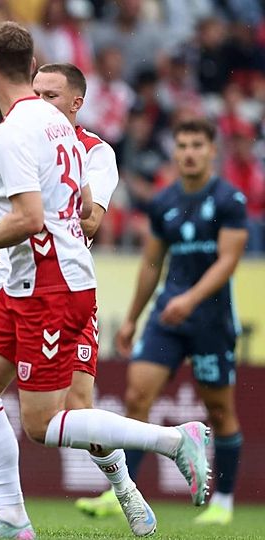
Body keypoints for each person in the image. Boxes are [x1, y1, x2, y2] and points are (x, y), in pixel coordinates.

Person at [0, 22, 209, 538]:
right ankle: (10, 518)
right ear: (30, 70)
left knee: (44, 425)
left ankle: (173, 440)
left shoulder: (13, 132)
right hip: (24, 284)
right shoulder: (55, 127)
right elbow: (37, 201)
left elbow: (32, 218)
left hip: (51, 287)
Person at [79, 119, 248, 526]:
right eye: (182, 145)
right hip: (167, 318)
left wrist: (190, 299)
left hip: (211, 321)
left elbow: (228, 260)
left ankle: (223, 502)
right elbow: (152, 263)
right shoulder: (163, 201)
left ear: (212, 151)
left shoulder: (229, 200)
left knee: (220, 410)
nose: (188, 152)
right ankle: (123, 492)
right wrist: (132, 318)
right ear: (175, 151)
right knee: (137, 396)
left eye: (197, 145)